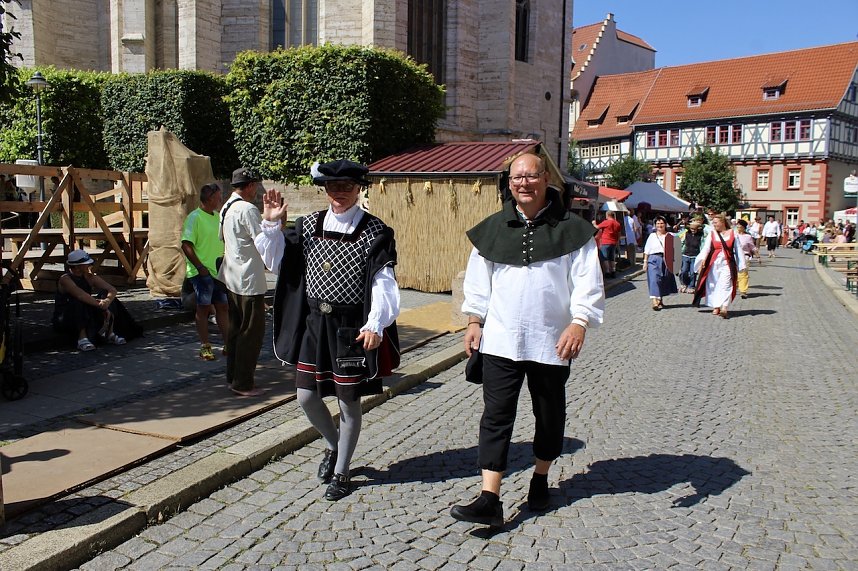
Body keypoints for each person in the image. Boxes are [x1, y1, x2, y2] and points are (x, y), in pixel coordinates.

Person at [450, 153, 605, 528]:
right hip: (501, 340)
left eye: (531, 176)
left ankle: (540, 477)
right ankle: (490, 498)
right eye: (516, 177)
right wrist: (474, 319)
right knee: (496, 416)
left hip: (552, 341)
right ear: (509, 181)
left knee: (549, 416)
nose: (523, 183)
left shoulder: (572, 229)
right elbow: (478, 281)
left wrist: (579, 322)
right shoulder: (492, 229)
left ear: (545, 178)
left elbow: (588, 281)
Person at [258, 159, 401, 502]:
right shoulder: (307, 225)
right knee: (306, 396)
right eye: (333, 187)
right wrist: (271, 225)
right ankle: (334, 446)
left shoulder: (376, 231)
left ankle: (342, 472)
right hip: (313, 324)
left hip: (350, 327)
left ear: (358, 189)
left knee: (348, 403)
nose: (339, 194)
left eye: (347, 187)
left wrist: (375, 322)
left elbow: (384, 282)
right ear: (325, 189)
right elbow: (277, 264)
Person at [218, 167, 268, 397]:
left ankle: (233, 376)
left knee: (236, 330)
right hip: (248, 278)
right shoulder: (247, 209)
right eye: (255, 184)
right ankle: (243, 382)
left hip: (232, 275)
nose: (256, 189)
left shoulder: (226, 207)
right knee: (251, 332)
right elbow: (262, 241)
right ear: (249, 186)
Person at [52, 249, 142, 351]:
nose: (89, 266)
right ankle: (82, 338)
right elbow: (80, 295)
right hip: (67, 316)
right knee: (78, 301)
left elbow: (112, 289)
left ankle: (110, 333)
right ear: (77, 266)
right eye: (86, 264)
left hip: (87, 311)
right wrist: (99, 305)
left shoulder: (90, 277)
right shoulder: (65, 279)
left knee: (105, 295)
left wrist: (107, 301)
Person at [181, 183, 229, 361]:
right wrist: (200, 267)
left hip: (218, 271)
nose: (220, 199)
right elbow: (186, 244)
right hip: (201, 272)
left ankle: (227, 344)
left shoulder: (217, 217)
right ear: (210, 198)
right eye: (218, 196)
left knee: (223, 307)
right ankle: (205, 346)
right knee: (204, 308)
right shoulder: (194, 218)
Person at [693, 213, 746, 319]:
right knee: (713, 284)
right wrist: (701, 261)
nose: (714, 224)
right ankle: (716, 305)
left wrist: (742, 265)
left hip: (727, 263)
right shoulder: (712, 234)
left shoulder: (733, 233)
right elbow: (706, 248)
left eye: (716, 222)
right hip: (713, 264)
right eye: (713, 222)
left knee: (726, 284)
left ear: (722, 222)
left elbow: (738, 249)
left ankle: (724, 307)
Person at [642, 216, 678, 310]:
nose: (660, 225)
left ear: (665, 224)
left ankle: (660, 299)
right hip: (653, 259)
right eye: (658, 223)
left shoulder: (670, 235)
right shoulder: (652, 236)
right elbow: (647, 249)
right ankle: (654, 301)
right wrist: (645, 262)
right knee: (654, 279)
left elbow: (676, 249)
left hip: (666, 259)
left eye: (661, 223)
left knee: (663, 279)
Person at [734, 219, 758, 299]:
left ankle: (743, 291)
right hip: (734, 256)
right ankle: (734, 287)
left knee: (743, 273)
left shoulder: (748, 237)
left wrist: (758, 256)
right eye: (737, 225)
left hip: (745, 256)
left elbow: (753, 247)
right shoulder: (733, 235)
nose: (738, 226)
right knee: (733, 273)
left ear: (744, 227)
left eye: (739, 225)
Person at [679, 219, 704, 293]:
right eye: (692, 228)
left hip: (695, 256)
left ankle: (691, 286)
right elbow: (678, 238)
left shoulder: (700, 235)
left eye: (695, 229)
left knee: (693, 272)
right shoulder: (686, 233)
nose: (693, 230)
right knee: (684, 271)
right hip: (685, 255)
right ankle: (684, 284)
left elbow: (702, 245)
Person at [595, 210, 621, 278]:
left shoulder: (606, 222)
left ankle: (607, 272)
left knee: (605, 258)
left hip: (605, 242)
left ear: (608, 215)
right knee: (612, 258)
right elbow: (619, 234)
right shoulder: (617, 223)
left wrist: (594, 223)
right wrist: (617, 241)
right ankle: (613, 271)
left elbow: (597, 227)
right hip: (613, 242)